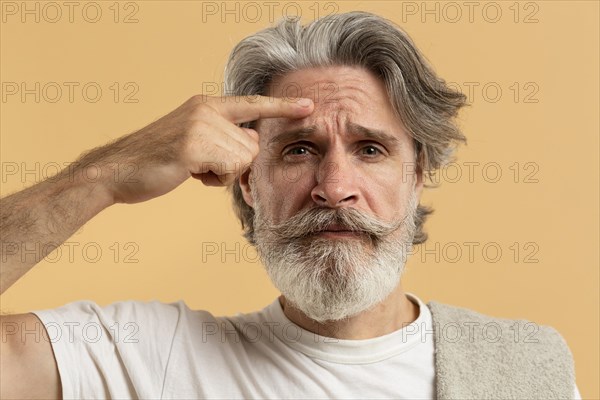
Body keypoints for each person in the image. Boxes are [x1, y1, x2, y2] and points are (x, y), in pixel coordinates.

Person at [0, 11, 581, 399]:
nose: (334, 185)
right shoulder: (153, 357)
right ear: (249, 182)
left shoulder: (526, 366)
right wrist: (107, 174)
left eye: (370, 149)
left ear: (418, 176)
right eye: (300, 150)